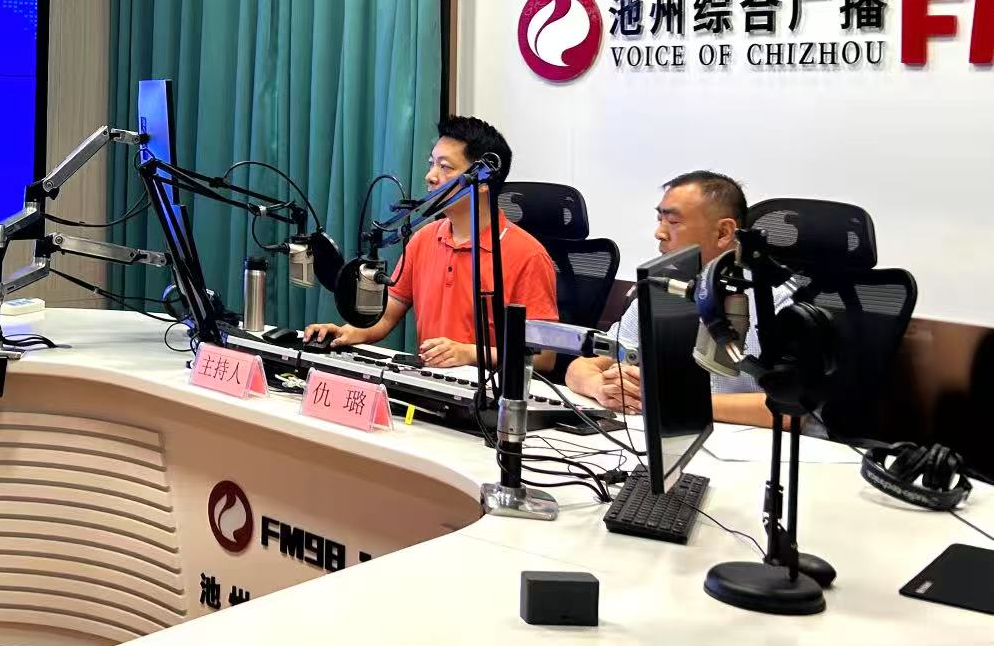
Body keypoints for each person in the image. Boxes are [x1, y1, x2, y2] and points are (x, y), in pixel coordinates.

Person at [303, 116, 558, 367]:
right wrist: (346, 332)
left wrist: (469, 353)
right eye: (431, 164)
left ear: (483, 181)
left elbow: (544, 356)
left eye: (445, 167)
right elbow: (388, 314)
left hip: (488, 388)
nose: (430, 176)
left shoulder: (528, 255)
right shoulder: (424, 239)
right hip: (430, 382)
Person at [562, 171, 774, 426]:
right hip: (672, 433)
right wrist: (600, 387)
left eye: (673, 221)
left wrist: (669, 399)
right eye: (659, 219)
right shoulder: (663, 288)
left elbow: (791, 411)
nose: (659, 232)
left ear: (723, 232)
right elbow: (582, 367)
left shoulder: (774, 301)